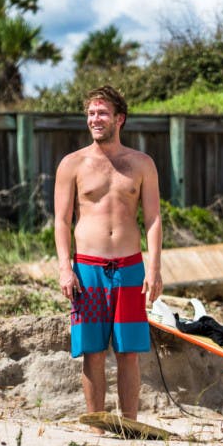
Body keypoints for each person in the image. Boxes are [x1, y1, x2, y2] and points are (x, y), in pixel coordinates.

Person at [54, 85, 163, 425]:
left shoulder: (141, 164)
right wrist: (64, 268)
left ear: (120, 118)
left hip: (130, 267)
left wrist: (154, 269)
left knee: (129, 352)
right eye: (90, 113)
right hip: (87, 269)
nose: (95, 119)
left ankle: (128, 424)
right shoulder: (72, 164)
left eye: (102, 113)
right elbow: (61, 220)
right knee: (93, 352)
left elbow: (154, 218)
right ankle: (98, 427)